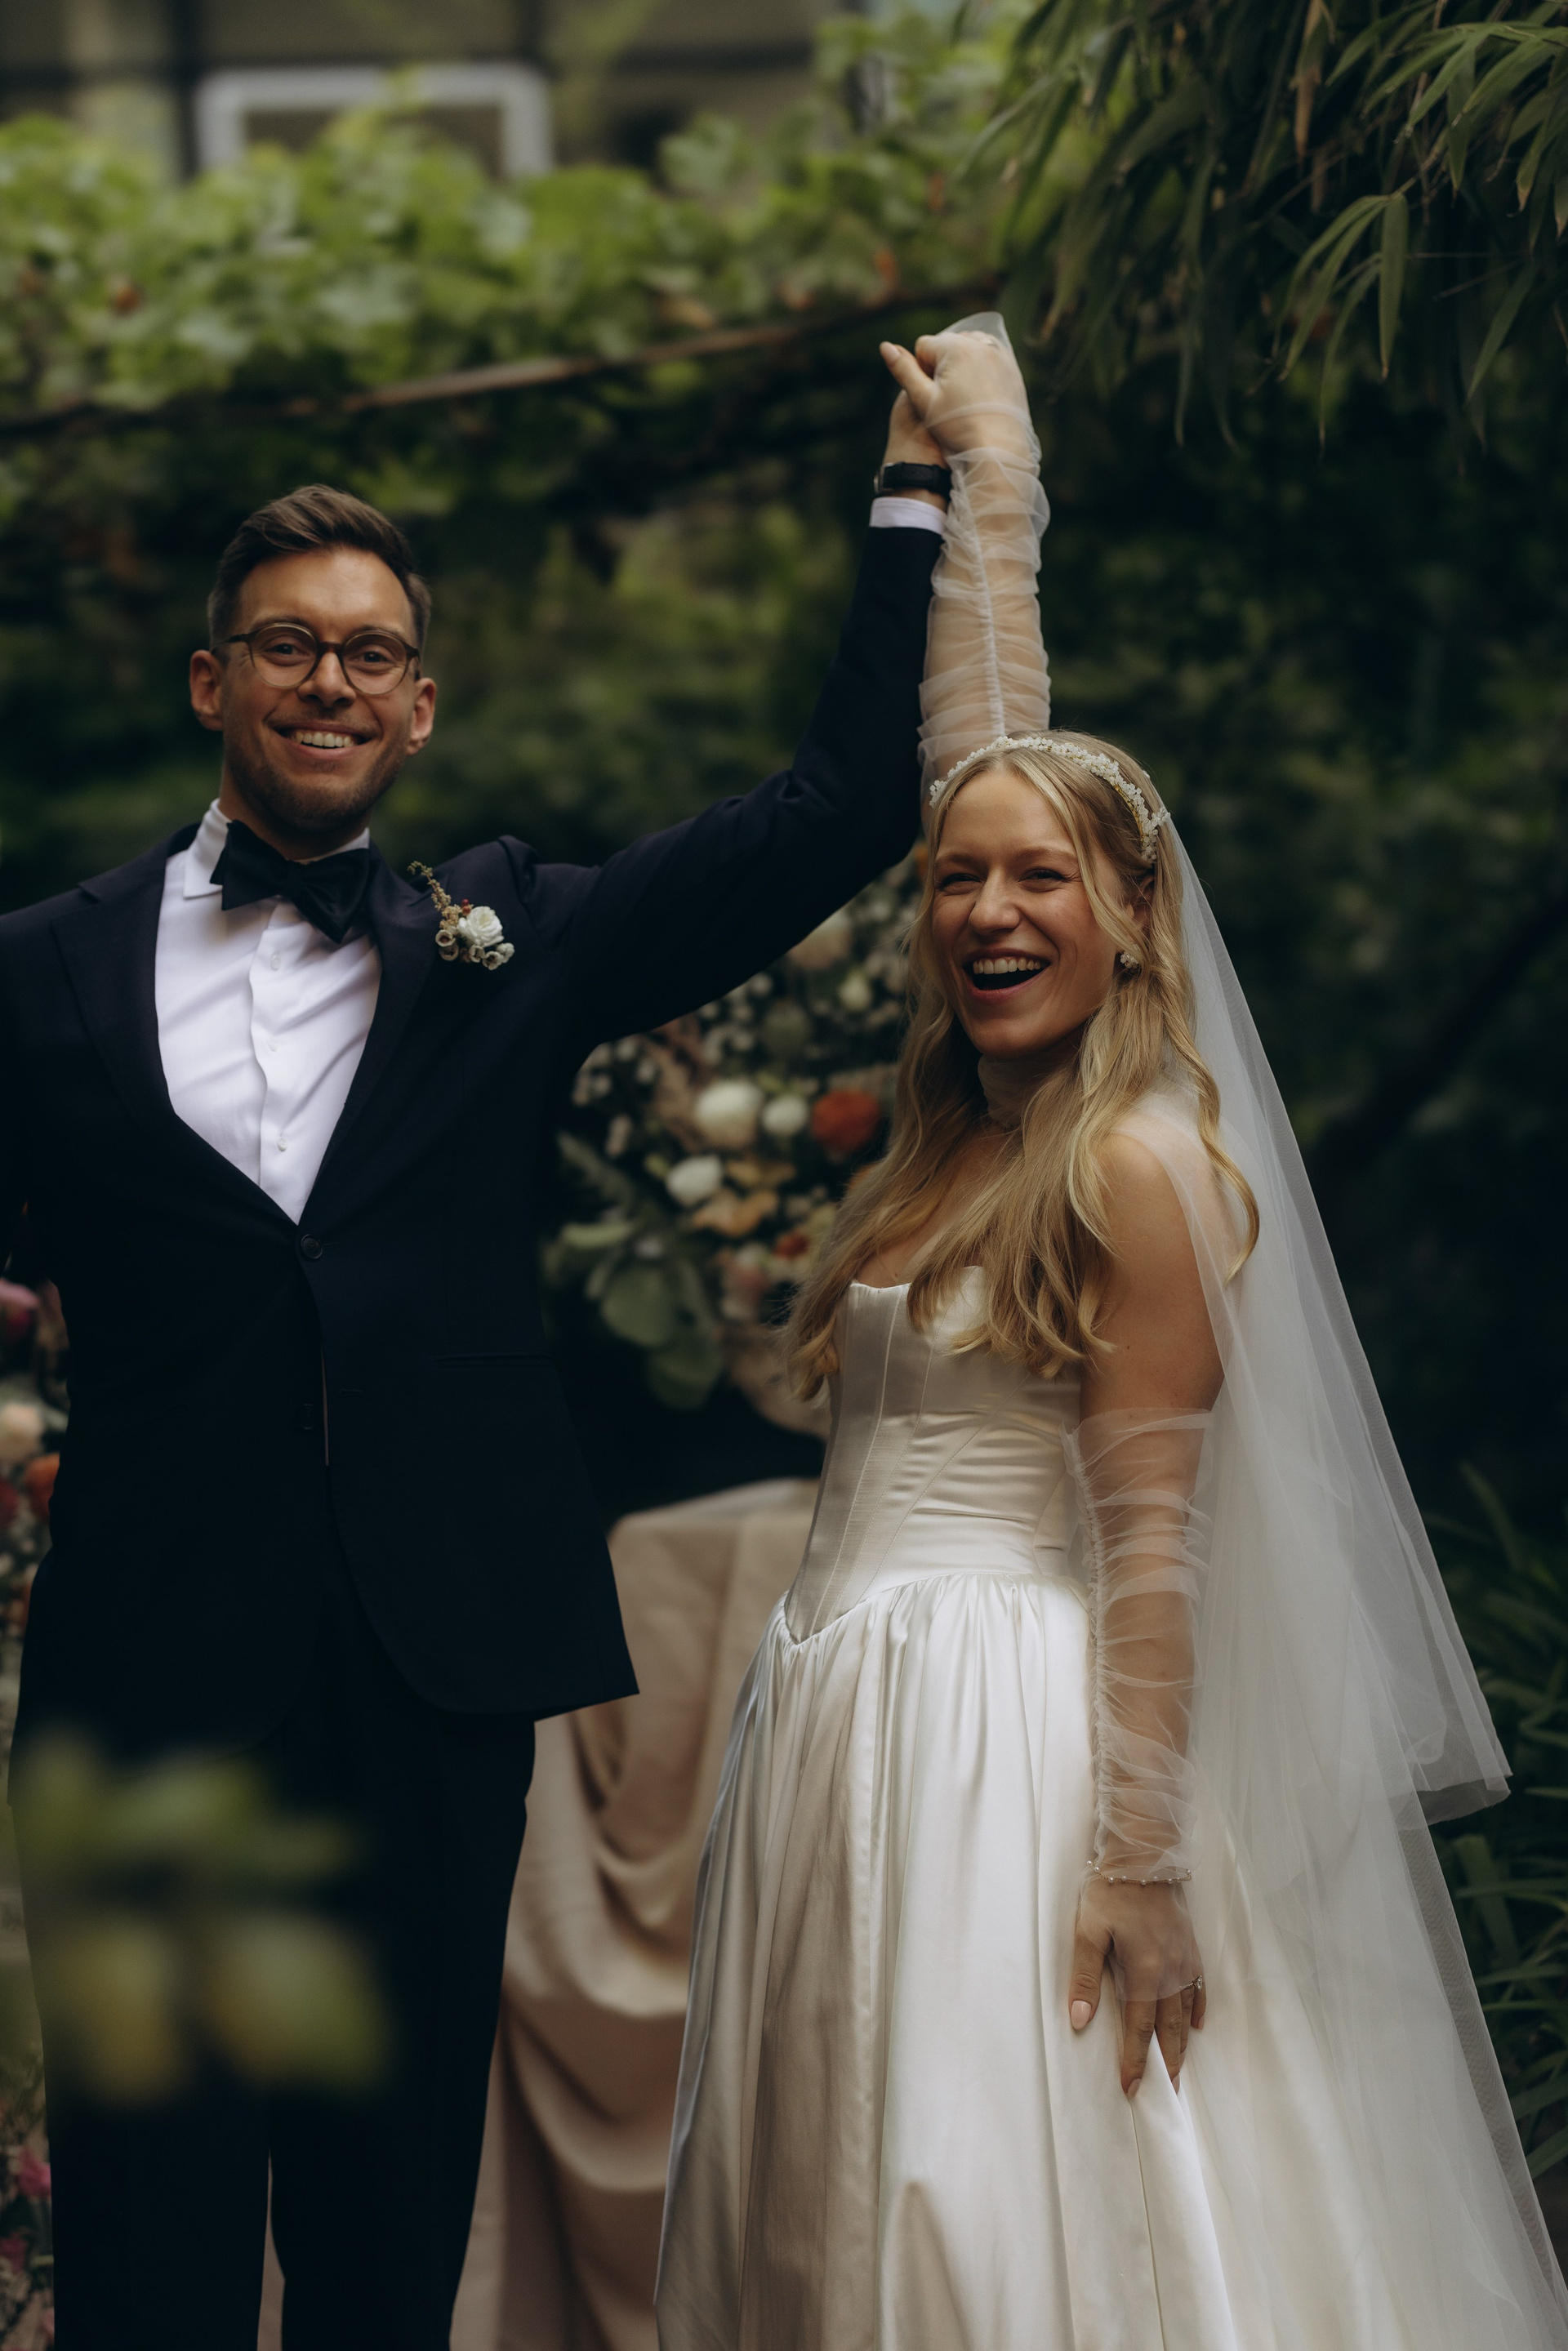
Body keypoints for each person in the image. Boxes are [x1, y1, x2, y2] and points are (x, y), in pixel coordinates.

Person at [0, 340, 987, 2348]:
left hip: (427, 1671)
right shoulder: (37, 974)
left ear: (422, 705)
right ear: (212, 683)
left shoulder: (510, 939)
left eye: (372, 654)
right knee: (143, 2248)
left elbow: (835, 810)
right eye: (289, 646)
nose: (332, 681)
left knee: (386, 2241)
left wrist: (912, 503)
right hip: (144, 1677)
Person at [656, 321, 1568, 2351]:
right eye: (956, 883)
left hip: (1009, 1746)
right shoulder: (964, 1144)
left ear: (1133, 915)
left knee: (992, 2197)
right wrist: (968, 491)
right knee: (835, 2207)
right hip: (841, 1719)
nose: (989, 908)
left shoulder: (1138, 1167)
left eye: (1041, 881)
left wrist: (1140, 1861)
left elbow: (1157, 1543)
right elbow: (987, 759)